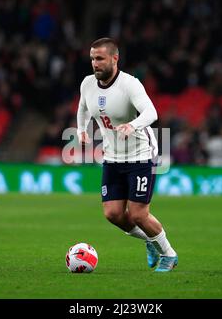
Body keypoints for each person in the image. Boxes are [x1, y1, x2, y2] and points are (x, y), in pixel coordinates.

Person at [76, 38, 178, 272]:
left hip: (140, 155)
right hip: (112, 157)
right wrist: (81, 130)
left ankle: (170, 255)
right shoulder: (87, 84)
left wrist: (132, 126)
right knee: (112, 213)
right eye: (92, 58)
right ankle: (150, 242)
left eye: (99, 58)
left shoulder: (130, 84)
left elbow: (151, 112)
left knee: (138, 214)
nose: (95, 63)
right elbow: (82, 108)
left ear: (115, 58)